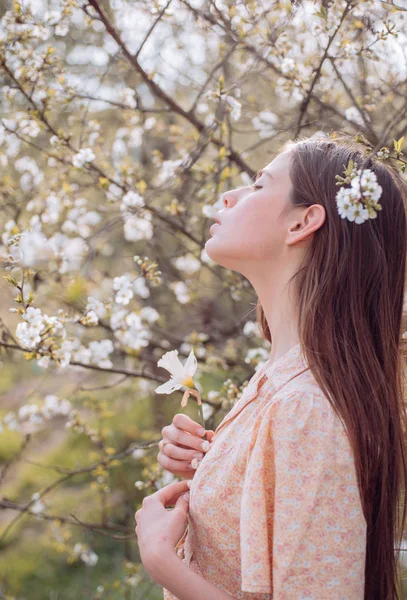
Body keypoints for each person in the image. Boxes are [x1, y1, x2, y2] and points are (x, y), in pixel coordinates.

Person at [135, 135, 407, 599]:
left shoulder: (307, 410)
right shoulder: (277, 380)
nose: (230, 196)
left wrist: (164, 562)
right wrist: (208, 475)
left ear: (303, 222)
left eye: (259, 186)